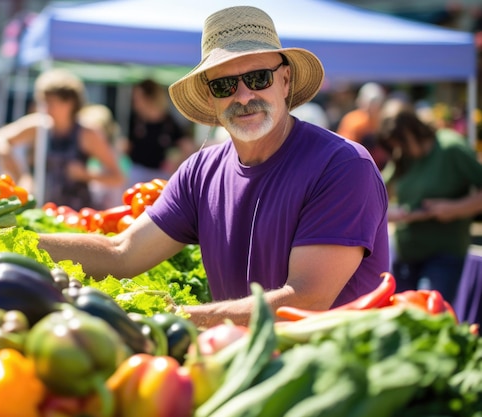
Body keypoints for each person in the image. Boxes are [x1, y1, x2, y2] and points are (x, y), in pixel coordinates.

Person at [38, 6, 390, 328]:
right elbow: (122, 254)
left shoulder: (342, 166)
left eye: (258, 78)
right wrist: (17, 246)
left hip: (334, 378)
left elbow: (307, 300)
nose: (243, 96)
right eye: (224, 85)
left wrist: (171, 316)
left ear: (285, 81)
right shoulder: (199, 173)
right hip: (239, 367)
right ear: (210, 98)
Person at [377, 102, 482, 304]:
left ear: (413, 130)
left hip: (444, 254)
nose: (399, 149)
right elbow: (377, 192)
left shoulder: (451, 148)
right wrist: (392, 214)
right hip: (407, 253)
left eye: (402, 142)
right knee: (398, 316)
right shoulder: (403, 156)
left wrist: (453, 209)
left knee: (428, 313)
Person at [0, 68, 125, 210]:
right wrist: (20, 172)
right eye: (43, 102)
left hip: (75, 215)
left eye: (51, 103)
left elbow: (118, 177)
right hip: (41, 210)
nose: (46, 109)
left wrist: (85, 175)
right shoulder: (39, 125)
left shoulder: (87, 133)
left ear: (70, 103)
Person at [125, 78, 195, 185]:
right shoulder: (136, 120)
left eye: (137, 98)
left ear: (149, 98)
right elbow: (128, 146)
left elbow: (188, 147)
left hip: (160, 175)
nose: (135, 103)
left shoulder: (169, 123)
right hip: (137, 172)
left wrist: (176, 163)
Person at [337, 82, 390, 170]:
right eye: (370, 102)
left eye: (376, 102)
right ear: (361, 102)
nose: (372, 106)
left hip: (380, 167)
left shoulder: (384, 120)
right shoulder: (352, 121)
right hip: (357, 166)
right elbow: (346, 149)